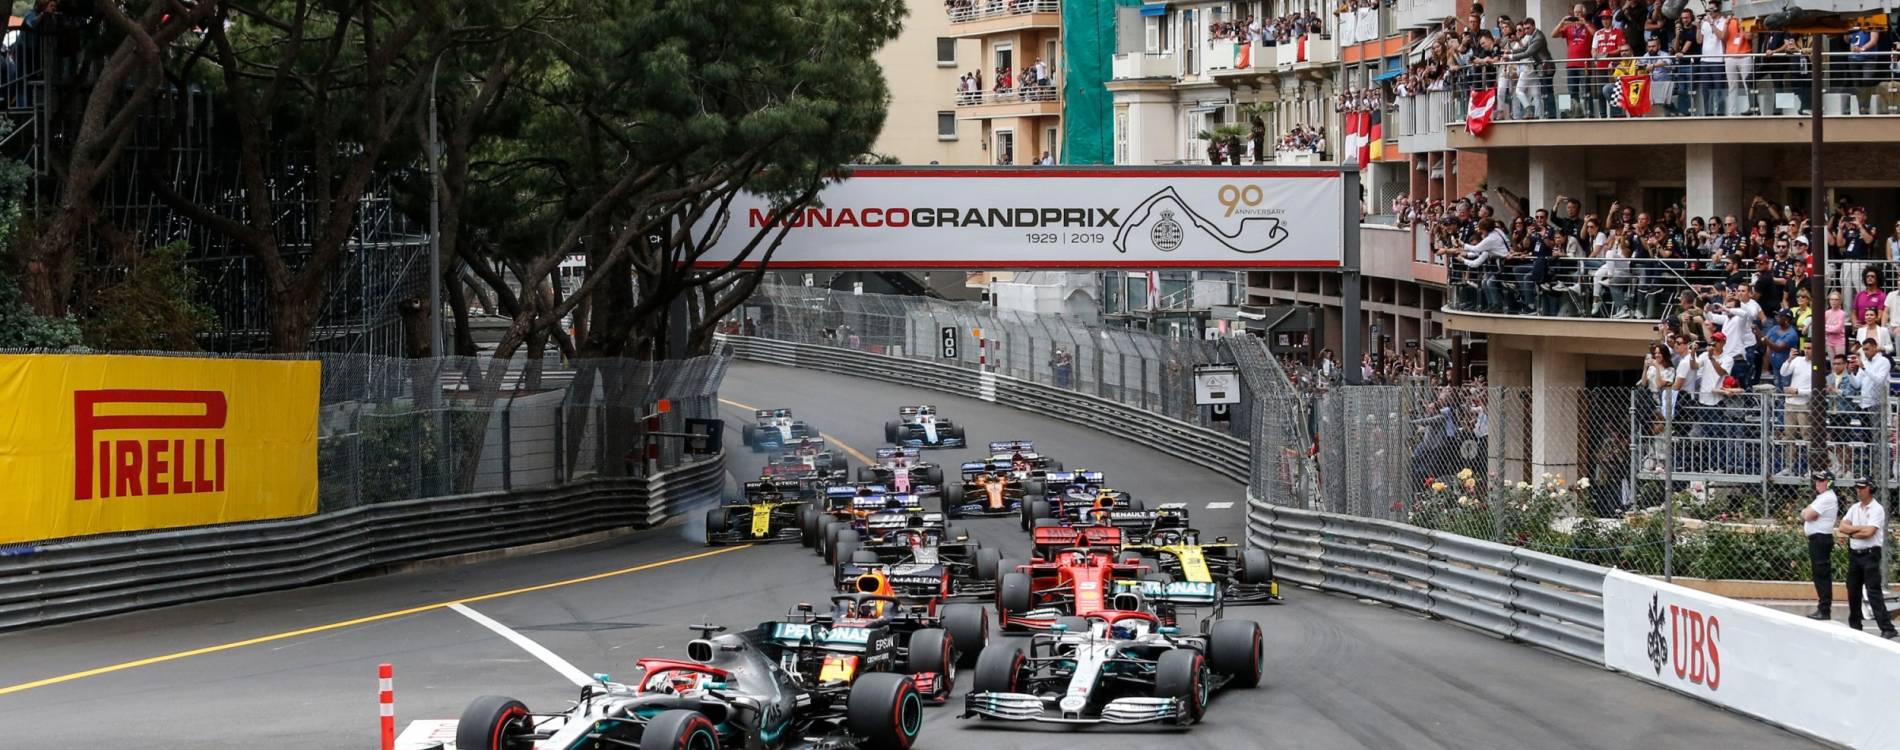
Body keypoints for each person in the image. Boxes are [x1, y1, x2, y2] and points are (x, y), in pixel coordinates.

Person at [1837, 477, 1896, 638]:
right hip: (1855, 555)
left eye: (1862, 488)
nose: (1858, 490)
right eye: (1857, 488)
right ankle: (1855, 625)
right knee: (1853, 590)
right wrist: (1859, 530)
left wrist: (1852, 531)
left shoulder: (1876, 509)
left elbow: (1869, 533)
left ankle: (1887, 628)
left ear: (1870, 489)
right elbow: (1842, 527)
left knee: (1873, 592)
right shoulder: (1855, 508)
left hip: (1870, 554)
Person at [1803, 471, 1840, 620]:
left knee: (1822, 575)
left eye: (1821, 481)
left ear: (1829, 482)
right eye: (1817, 481)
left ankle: (1824, 609)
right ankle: (1823, 608)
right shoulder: (1822, 498)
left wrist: (1807, 512)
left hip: (1821, 539)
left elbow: (1807, 515)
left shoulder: (1827, 498)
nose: (1817, 483)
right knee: (1819, 574)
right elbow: (1809, 513)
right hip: (1817, 539)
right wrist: (1808, 512)